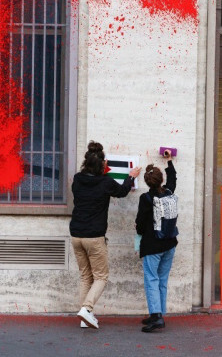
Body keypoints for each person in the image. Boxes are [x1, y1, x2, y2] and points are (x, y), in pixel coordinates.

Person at [70, 141, 141, 329]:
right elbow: (123, 192)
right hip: (94, 237)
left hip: (76, 235)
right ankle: (86, 308)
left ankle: (85, 317)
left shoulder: (77, 179)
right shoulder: (105, 183)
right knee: (101, 277)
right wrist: (131, 177)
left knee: (85, 276)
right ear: (102, 165)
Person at [135, 150, 177, 333]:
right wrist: (169, 161)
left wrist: (139, 233)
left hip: (153, 246)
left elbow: (140, 223)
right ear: (161, 181)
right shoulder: (168, 192)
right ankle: (157, 313)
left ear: (147, 182)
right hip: (170, 243)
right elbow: (173, 179)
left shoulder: (146, 199)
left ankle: (157, 317)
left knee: (151, 279)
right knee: (162, 279)